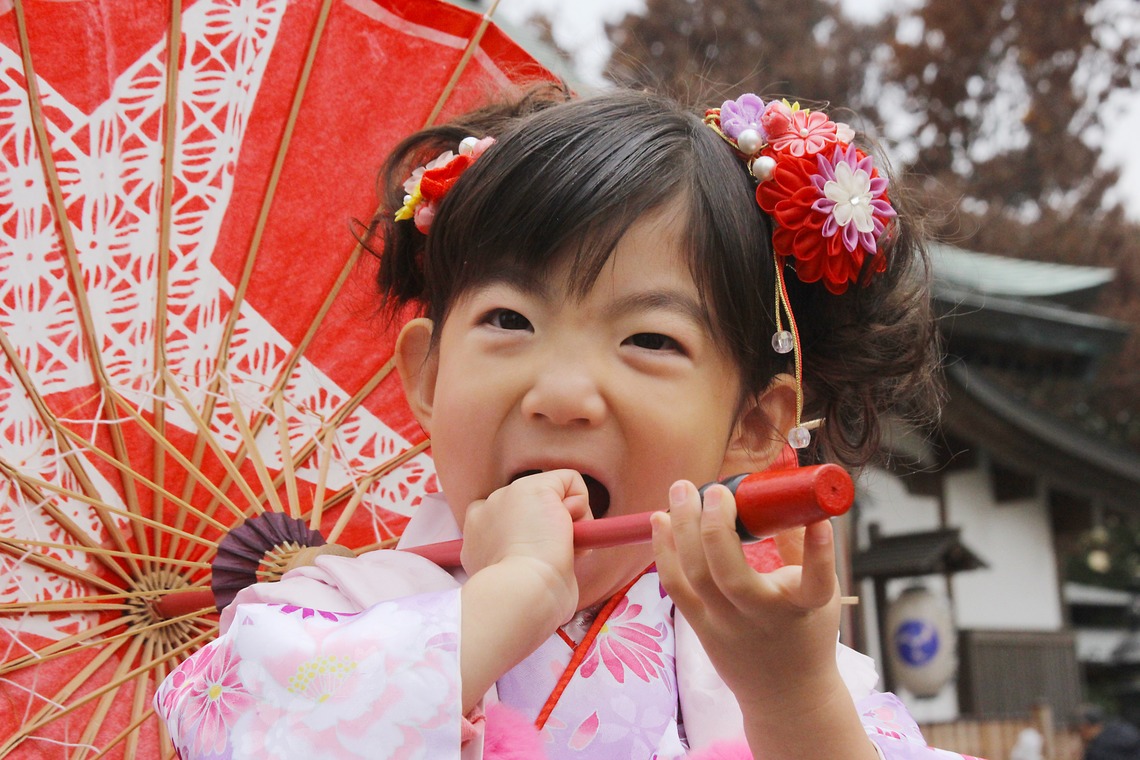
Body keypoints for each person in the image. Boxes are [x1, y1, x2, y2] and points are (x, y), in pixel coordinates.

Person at [155, 85, 970, 759]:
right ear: (429, 373)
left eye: (649, 339)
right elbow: (249, 732)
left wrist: (793, 698)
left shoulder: (760, 656)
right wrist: (510, 595)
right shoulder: (329, 611)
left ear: (755, 425)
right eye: (509, 320)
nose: (563, 393)